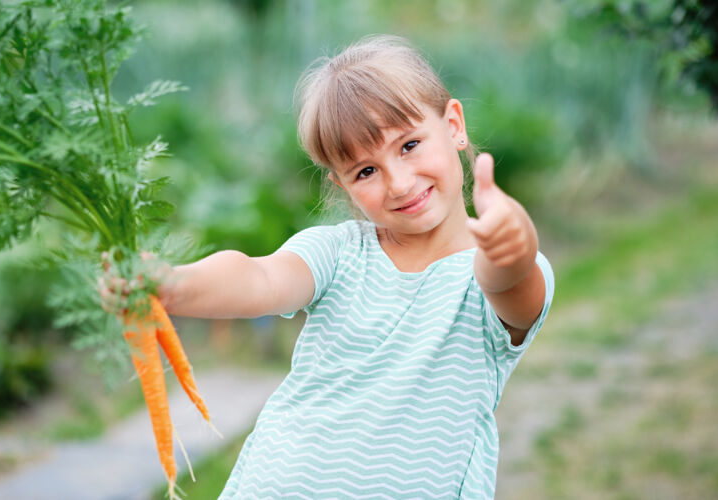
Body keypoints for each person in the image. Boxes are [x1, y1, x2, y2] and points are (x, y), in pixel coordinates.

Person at [105, 34, 554, 499]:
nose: (399, 183)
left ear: (454, 124)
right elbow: (259, 278)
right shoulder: (339, 252)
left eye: (409, 144)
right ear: (341, 185)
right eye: (365, 171)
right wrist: (174, 283)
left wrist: (511, 240)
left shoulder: (491, 276)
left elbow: (509, 280)